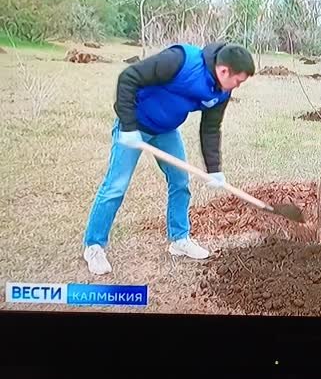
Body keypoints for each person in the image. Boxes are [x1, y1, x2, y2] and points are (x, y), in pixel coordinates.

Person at [82, 42, 255, 275]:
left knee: (180, 182)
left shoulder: (221, 92)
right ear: (224, 71)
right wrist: (129, 127)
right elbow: (128, 77)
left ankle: (179, 239)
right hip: (135, 125)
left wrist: (214, 169)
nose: (237, 86)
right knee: (116, 186)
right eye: (238, 81)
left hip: (166, 131)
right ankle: (93, 246)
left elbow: (211, 128)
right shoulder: (179, 61)